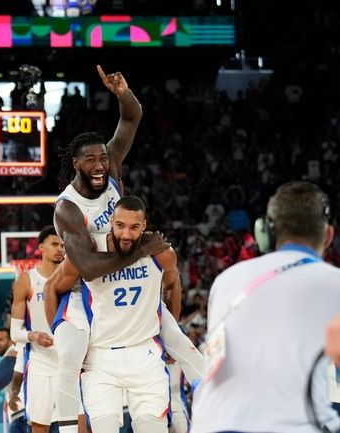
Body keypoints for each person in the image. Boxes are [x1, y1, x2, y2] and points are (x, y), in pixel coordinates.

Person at [47, 67, 201, 433]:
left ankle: (217, 412)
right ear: (76, 164)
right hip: (89, 291)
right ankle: (68, 426)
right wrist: (143, 245)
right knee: (69, 359)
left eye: (103, 158)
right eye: (91, 161)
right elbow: (86, 266)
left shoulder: (112, 166)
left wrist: (123, 93)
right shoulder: (67, 208)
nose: (100, 166)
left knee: (180, 341)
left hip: (128, 282)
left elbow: (132, 117)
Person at [192, 181, 340, 433]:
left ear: (265, 231)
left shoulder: (226, 280)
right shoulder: (335, 283)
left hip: (212, 425)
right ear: (328, 236)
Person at [49, 197, 177, 433]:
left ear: (144, 225)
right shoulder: (88, 253)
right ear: (111, 222)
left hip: (144, 353)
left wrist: (172, 331)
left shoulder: (160, 252)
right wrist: (62, 335)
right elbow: (51, 288)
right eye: (120, 226)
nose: (126, 234)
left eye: (134, 227)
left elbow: (172, 282)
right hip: (100, 357)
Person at [9, 226, 64, 433]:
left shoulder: (73, 280)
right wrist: (33, 335)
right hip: (40, 365)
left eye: (62, 245)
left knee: (77, 427)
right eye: (54, 244)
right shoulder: (27, 280)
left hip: (70, 364)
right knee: (40, 427)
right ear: (41, 247)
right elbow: (14, 333)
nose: (60, 249)